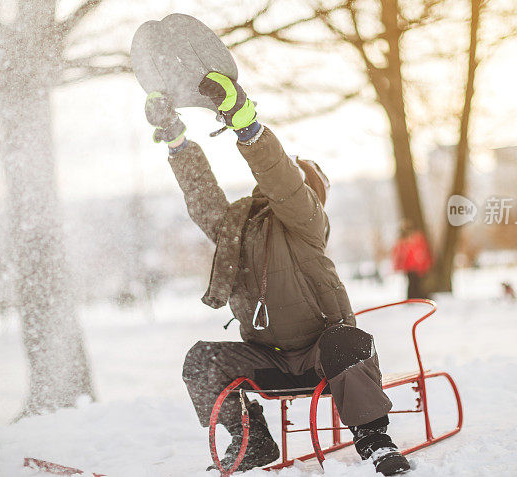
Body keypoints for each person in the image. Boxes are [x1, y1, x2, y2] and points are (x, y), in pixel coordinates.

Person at [144, 72, 410, 475]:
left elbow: (281, 180)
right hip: (268, 358)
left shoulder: (307, 223)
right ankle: (251, 438)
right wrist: (175, 138)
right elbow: (202, 195)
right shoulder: (236, 230)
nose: (288, 185)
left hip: (324, 354)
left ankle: (375, 441)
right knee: (201, 359)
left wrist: (245, 125)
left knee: (348, 340)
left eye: (301, 182)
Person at [391, 225, 431, 299]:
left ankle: (418, 296)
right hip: (410, 267)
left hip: (417, 266)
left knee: (418, 282)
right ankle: (413, 297)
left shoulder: (416, 239)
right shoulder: (404, 242)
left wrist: (424, 264)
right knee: (413, 282)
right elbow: (400, 255)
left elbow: (422, 253)